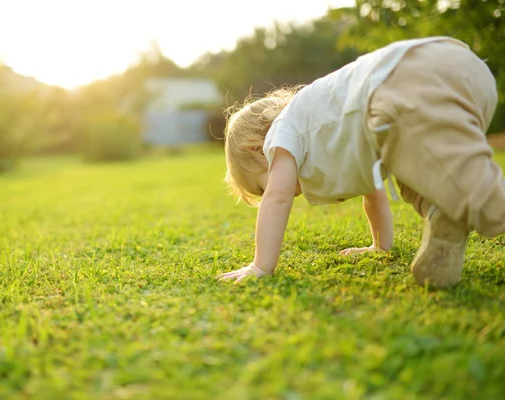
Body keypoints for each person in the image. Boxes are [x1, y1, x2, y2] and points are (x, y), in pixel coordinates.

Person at [216, 36, 503, 289]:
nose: (274, 189)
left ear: (257, 149)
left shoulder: (282, 133)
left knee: (474, 187)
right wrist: (380, 247)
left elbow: (278, 199)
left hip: (406, 81)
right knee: (417, 172)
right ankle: (443, 216)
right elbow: (373, 193)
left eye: (261, 187)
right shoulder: (332, 130)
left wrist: (261, 265)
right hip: (460, 72)